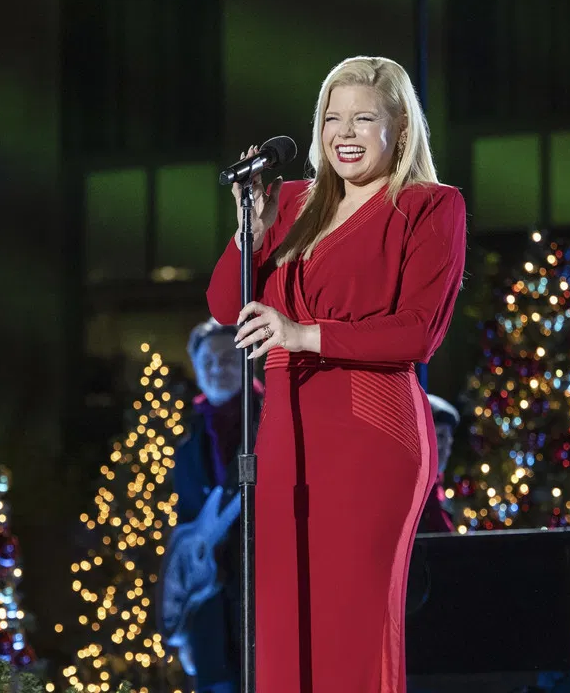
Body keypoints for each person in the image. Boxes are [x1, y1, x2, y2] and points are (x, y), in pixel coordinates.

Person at [206, 56, 467, 692]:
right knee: (283, 624)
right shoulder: (292, 202)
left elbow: (419, 332)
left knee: (350, 625)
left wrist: (303, 334)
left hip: (372, 435)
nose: (344, 133)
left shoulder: (430, 207)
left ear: (398, 130)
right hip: (285, 437)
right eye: (332, 117)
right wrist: (248, 234)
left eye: (363, 119)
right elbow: (224, 307)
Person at [163, 319, 262, 693]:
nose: (217, 369)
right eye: (208, 362)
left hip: (265, 606)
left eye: (228, 359)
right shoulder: (188, 442)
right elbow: (188, 533)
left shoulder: (274, 419)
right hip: (212, 623)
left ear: (247, 361)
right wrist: (187, 632)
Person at [417, 394, 459, 533]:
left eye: (449, 440)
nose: (445, 448)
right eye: (440, 436)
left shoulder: (438, 490)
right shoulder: (411, 490)